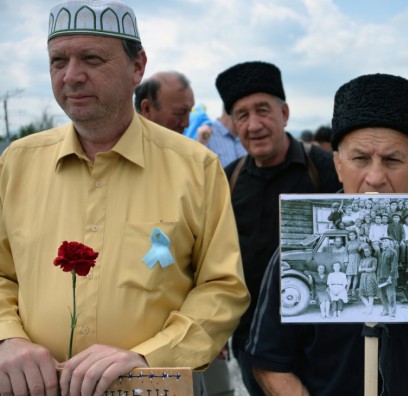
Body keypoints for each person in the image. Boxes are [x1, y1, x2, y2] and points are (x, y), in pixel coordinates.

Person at [0, 2, 250, 396]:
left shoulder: (195, 167)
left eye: (91, 58)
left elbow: (223, 288)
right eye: (58, 60)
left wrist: (150, 358)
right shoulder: (17, 163)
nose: (71, 76)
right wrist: (7, 338)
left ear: (138, 67)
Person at [246, 73, 408, 395]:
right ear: (338, 163)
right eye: (360, 158)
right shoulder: (290, 252)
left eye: (392, 160)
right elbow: (270, 362)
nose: (375, 177)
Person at [215, 60, 342, 395]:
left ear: (284, 113)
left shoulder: (326, 170)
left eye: (263, 111)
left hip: (321, 343)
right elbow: (209, 257)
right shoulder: (228, 179)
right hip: (252, 343)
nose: (254, 125)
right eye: (241, 115)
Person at [137, 73, 235, 396]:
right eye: (180, 113)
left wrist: (210, 330)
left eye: (190, 112)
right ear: (148, 108)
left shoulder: (198, 166)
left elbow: (218, 271)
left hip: (191, 334)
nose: (186, 121)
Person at [376, 236, 399, 319]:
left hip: (390, 277)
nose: (384, 243)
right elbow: (379, 265)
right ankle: (385, 311)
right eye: (383, 241)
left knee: (391, 295)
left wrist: (391, 277)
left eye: (386, 241)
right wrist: (378, 276)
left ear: (390, 242)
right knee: (382, 295)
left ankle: (392, 314)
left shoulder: (393, 252)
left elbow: (394, 266)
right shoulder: (381, 252)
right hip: (382, 276)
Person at [357, 245, 378, 315]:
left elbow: (373, 269)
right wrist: (365, 270)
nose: (366, 253)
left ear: (371, 252)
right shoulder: (362, 259)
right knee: (361, 294)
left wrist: (364, 269)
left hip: (370, 277)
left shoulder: (374, 259)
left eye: (367, 251)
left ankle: (369, 310)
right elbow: (359, 270)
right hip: (363, 278)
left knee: (370, 294)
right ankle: (369, 308)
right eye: (365, 252)